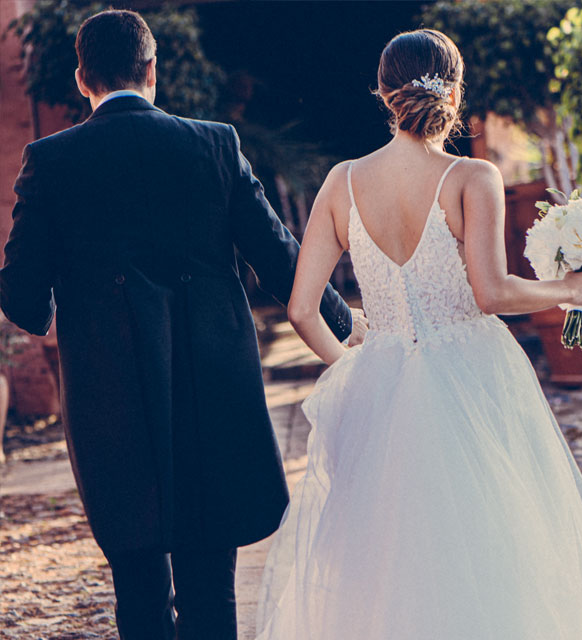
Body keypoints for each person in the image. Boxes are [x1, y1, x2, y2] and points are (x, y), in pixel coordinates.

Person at [255, 28, 582, 639]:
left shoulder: (341, 182)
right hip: (473, 374)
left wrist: (349, 364)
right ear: (455, 93)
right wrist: (571, 289)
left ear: (383, 94)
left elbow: (303, 308)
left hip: (381, 381)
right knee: (497, 541)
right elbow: (492, 293)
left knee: (388, 556)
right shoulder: (472, 176)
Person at [0, 9, 366, 640]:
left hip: (109, 396)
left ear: (83, 79)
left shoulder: (49, 161)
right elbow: (280, 255)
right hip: (212, 384)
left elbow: (26, 303)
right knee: (209, 574)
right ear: (153, 70)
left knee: (137, 579)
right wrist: (346, 320)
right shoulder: (214, 144)